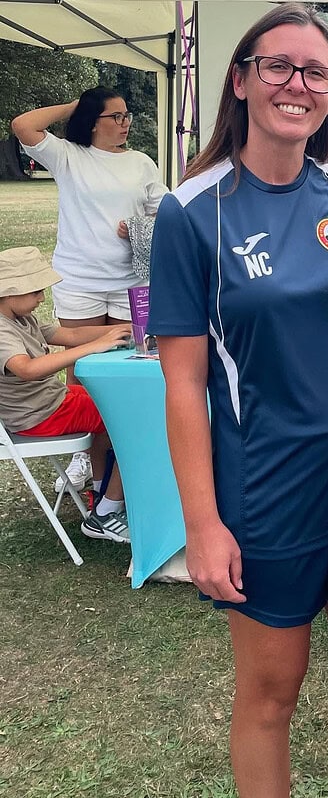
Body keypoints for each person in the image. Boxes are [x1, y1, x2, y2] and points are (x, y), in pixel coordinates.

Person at [146, 3, 328, 798]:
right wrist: (202, 522)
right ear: (241, 79)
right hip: (262, 489)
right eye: (280, 66)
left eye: (317, 73)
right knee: (269, 691)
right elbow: (181, 381)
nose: (299, 85)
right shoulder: (191, 212)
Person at [11, 87, 167, 494]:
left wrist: (138, 227)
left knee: (122, 369)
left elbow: (166, 212)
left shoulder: (141, 162)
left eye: (126, 115)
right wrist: (74, 106)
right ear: (92, 121)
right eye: (114, 116)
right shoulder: (68, 155)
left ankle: (116, 461)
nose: (124, 123)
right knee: (80, 371)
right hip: (79, 280)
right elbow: (22, 125)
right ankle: (85, 455)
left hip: (129, 282)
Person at [0, 246, 132, 542]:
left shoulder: (21, 319)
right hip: (40, 415)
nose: (41, 299)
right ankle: (106, 514)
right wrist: (95, 347)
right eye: (35, 292)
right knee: (133, 421)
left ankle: (101, 492)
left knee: (114, 406)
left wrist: (126, 329)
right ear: (10, 293)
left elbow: (69, 335)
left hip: (53, 401)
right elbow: (27, 369)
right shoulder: (2, 331)